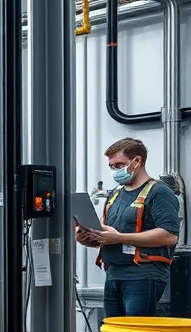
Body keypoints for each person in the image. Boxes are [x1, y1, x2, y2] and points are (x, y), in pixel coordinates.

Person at [76, 137, 181, 320]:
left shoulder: (160, 193)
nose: (115, 170)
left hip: (143, 275)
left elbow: (169, 235)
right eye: (112, 166)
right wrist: (89, 236)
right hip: (113, 274)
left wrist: (121, 238)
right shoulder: (115, 193)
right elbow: (107, 231)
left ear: (137, 161)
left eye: (119, 165)